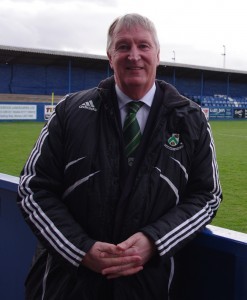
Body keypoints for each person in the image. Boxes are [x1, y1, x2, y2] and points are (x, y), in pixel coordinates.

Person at [17, 13, 222, 300]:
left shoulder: (191, 120)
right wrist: (80, 249)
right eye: (123, 46)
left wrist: (156, 240)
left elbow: (207, 196)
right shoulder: (68, 112)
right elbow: (32, 189)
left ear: (158, 55)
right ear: (110, 56)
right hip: (65, 285)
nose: (134, 55)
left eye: (143, 46)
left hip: (148, 287)